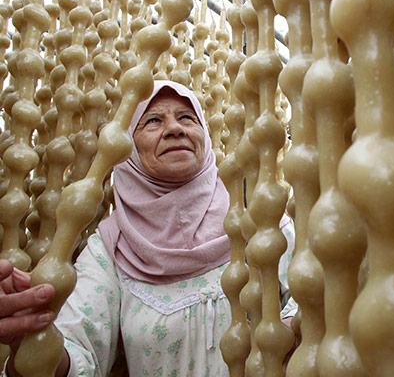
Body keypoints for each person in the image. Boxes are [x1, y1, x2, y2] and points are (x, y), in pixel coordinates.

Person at [0, 80, 296, 376]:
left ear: (203, 134)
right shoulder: (112, 248)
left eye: (186, 118)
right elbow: (80, 353)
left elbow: (313, 303)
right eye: (153, 121)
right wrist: (32, 347)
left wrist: (293, 333)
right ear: (128, 145)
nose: (174, 128)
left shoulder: (258, 221)